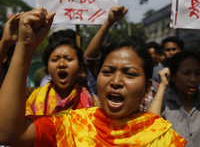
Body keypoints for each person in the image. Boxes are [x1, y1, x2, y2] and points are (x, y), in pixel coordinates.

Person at [0, 8, 187, 146]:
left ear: (147, 88)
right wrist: (25, 47)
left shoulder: (162, 138)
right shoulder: (70, 124)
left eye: (130, 74)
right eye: (107, 72)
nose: (116, 81)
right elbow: (7, 133)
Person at [148, 50, 200, 147]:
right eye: (186, 73)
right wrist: (163, 85)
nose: (193, 79)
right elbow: (149, 126)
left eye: (197, 73)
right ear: (173, 77)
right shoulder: (163, 103)